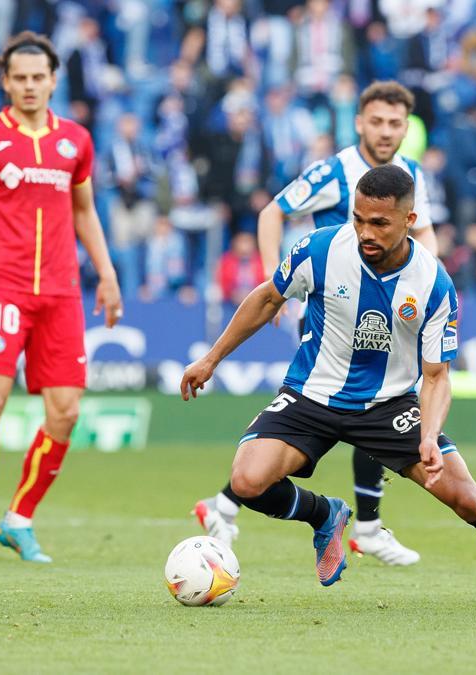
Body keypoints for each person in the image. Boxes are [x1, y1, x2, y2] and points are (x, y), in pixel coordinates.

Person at [181, 165, 476, 610]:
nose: (365, 232)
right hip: (311, 394)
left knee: (466, 497)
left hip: (388, 406)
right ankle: (325, 514)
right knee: (246, 481)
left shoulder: (433, 284)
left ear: (408, 220)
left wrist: (431, 434)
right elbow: (266, 298)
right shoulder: (320, 250)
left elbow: (436, 377)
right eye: (359, 219)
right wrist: (211, 358)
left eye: (379, 222)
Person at [192, 81, 437, 566]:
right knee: (372, 401)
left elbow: (423, 232)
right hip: (334, 310)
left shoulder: (409, 174)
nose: (386, 132)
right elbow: (271, 212)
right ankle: (363, 526)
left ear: (406, 127)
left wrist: (435, 285)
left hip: (389, 308)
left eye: (395, 123)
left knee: (379, 400)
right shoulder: (336, 171)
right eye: (377, 122)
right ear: (359, 122)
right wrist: (272, 279)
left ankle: (225, 503)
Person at [0, 32, 123, 564]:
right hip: (6, 288)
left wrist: (106, 274)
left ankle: (19, 520)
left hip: (62, 293)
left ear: (53, 81)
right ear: (6, 81)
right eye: (20, 78)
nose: (30, 86)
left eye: (39, 77)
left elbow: (84, 212)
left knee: (65, 412)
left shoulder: (76, 141)